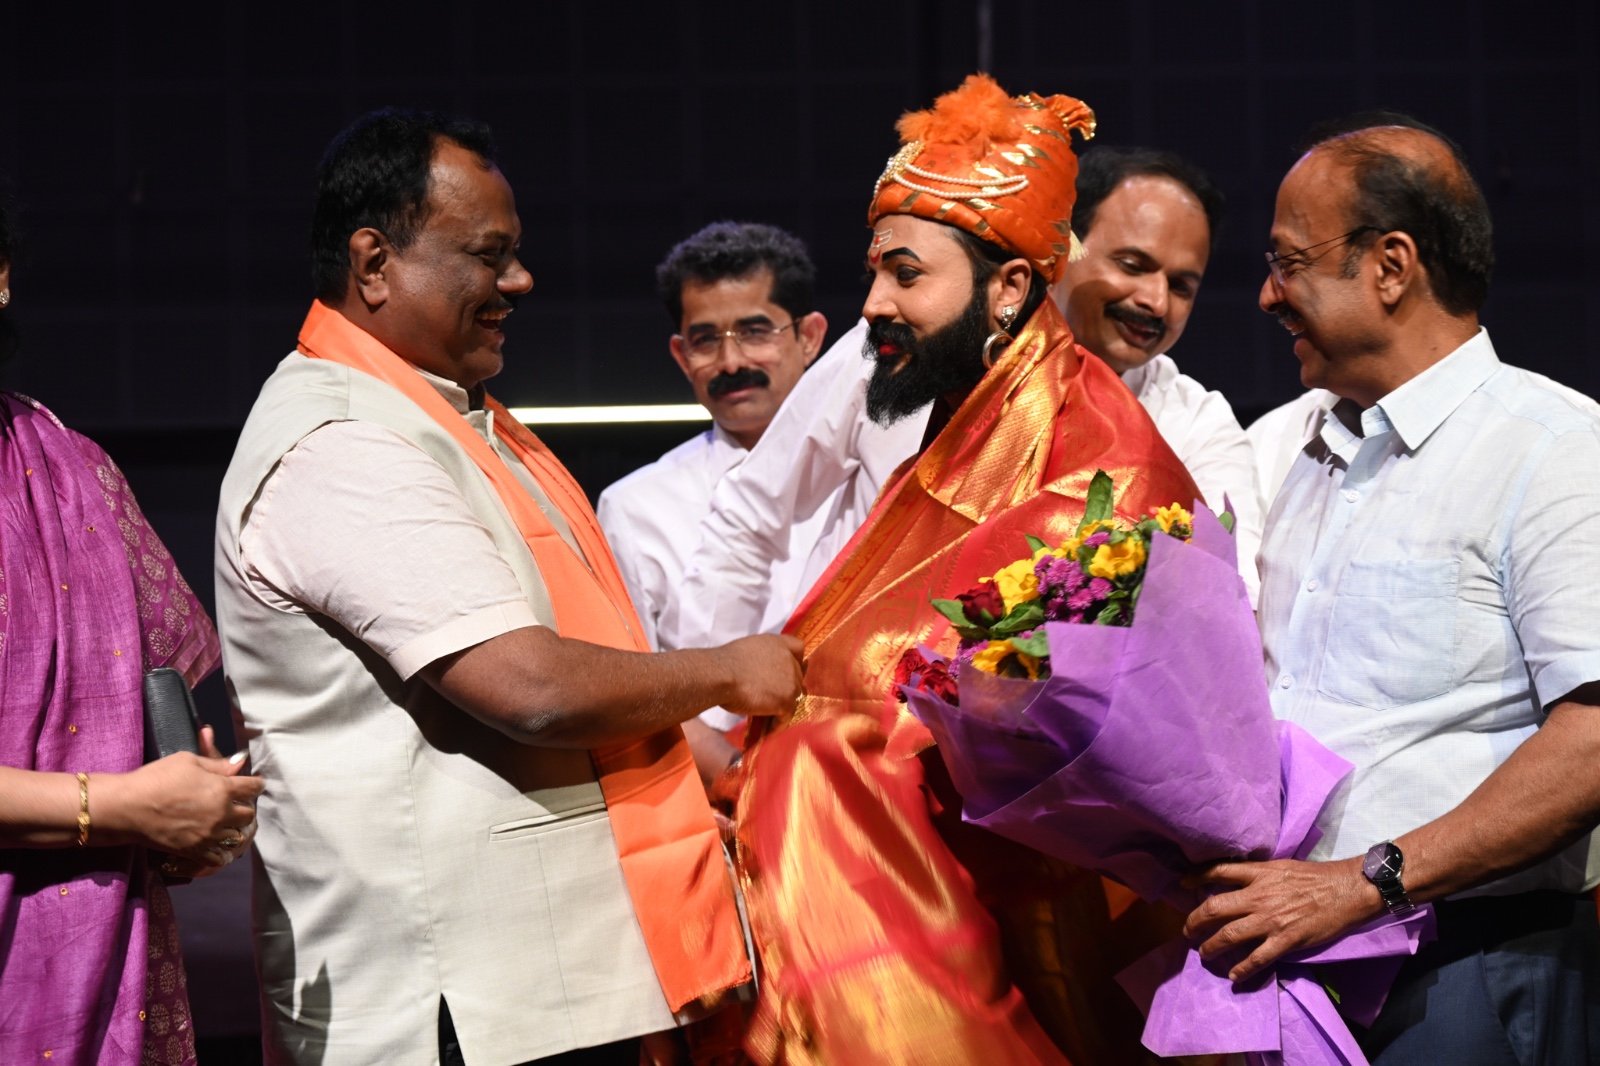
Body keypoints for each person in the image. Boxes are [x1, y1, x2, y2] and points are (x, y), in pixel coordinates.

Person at [212, 109, 803, 1065]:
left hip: (537, 993)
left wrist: (748, 774)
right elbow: (532, 688)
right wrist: (730, 671)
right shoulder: (343, 441)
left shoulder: (445, 415)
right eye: (490, 256)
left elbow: (592, 662)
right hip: (451, 1006)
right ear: (374, 263)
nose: (520, 281)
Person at [724, 75, 1201, 1064]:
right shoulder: (933, 384)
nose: (873, 303)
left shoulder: (1107, 457)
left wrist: (834, 732)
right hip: (886, 877)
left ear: (1010, 289)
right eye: (874, 271)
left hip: (989, 888)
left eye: (905, 274)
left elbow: (1041, 703)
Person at [1184, 115, 1600, 1064]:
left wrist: (1366, 883)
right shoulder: (1276, 447)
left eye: (1289, 261)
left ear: (1391, 265)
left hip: (1471, 969)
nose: (1266, 294)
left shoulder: (1555, 450)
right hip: (1288, 969)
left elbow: (1593, 739)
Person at [659, 144, 1258, 660]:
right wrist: (706, 715)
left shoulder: (1191, 424)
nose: (1156, 300)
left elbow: (1221, 600)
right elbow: (750, 519)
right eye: (1133, 265)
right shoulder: (897, 348)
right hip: (845, 720)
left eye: (1182, 285)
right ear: (1060, 250)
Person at [0, 195, 263, 1065]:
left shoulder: (72, 468)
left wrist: (201, 809)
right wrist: (119, 807)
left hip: (108, 954)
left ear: (2, 277)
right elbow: (133, 796)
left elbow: (168, 733)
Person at [596, 223, 829, 780]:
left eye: (755, 332)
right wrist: (745, 783)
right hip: (724, 788)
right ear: (681, 355)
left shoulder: (880, 470)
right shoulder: (634, 506)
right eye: (706, 340)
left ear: (810, 337)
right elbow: (633, 687)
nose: (730, 362)